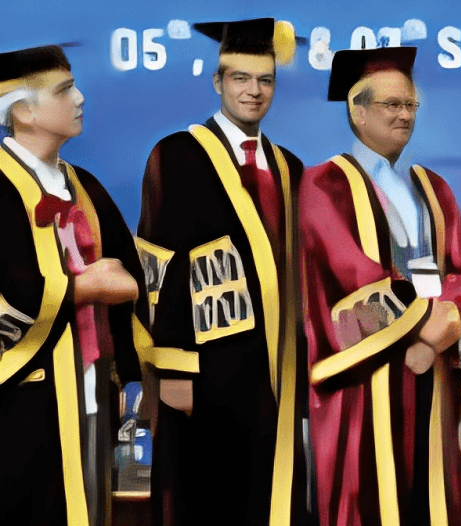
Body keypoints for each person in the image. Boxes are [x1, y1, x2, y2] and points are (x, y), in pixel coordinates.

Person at [135, 18, 310, 525]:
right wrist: (173, 367)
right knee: (205, 494)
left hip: (274, 367)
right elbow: (158, 264)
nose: (254, 91)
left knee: (270, 493)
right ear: (218, 82)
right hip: (205, 368)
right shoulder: (176, 154)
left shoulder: (291, 167)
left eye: (265, 80)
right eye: (240, 78)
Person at [300, 46, 461, 526]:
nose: (404, 115)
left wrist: (441, 331)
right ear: (357, 111)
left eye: (410, 104)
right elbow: (353, 271)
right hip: (364, 377)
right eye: (391, 104)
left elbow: (458, 269)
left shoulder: (432, 186)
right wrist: (423, 329)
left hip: (430, 373)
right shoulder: (323, 185)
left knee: (429, 498)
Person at [0, 44, 146, 526]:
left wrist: (131, 373)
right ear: (23, 111)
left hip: (93, 389)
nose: (80, 98)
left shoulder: (85, 186)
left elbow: (130, 275)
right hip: (21, 397)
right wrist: (84, 288)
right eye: (64, 90)